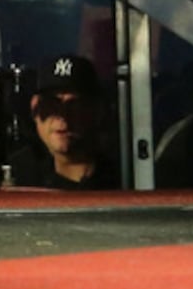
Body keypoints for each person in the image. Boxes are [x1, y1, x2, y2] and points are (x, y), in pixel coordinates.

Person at [11, 54, 119, 190]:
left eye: (75, 105)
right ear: (34, 109)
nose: (62, 115)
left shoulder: (124, 178)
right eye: (51, 105)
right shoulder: (18, 182)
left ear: (97, 111)